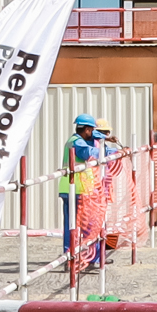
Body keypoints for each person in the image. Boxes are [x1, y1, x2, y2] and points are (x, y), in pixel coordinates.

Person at [57, 114, 106, 275]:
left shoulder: (74, 140)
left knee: (71, 226)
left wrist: (101, 139)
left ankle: (73, 257)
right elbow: (89, 153)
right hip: (77, 190)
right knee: (87, 226)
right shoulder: (78, 143)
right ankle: (87, 258)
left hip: (72, 189)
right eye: (91, 130)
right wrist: (104, 146)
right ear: (87, 130)